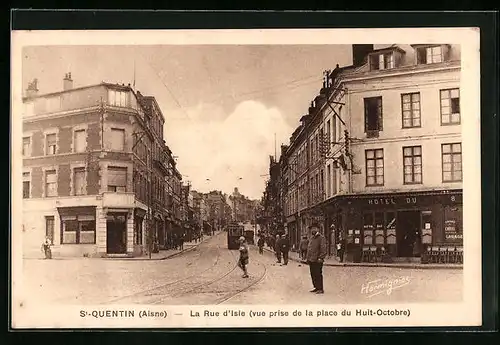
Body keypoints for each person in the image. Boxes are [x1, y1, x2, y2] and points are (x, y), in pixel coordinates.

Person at [306, 224, 327, 294]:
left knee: (318, 274)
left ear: (318, 229)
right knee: (313, 274)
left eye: (314, 228)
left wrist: (321, 257)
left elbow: (323, 249)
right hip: (311, 259)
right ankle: (316, 287)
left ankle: (320, 288)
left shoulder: (321, 238)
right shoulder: (312, 238)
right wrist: (308, 258)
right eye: (312, 229)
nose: (312, 230)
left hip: (317, 260)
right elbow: (309, 248)